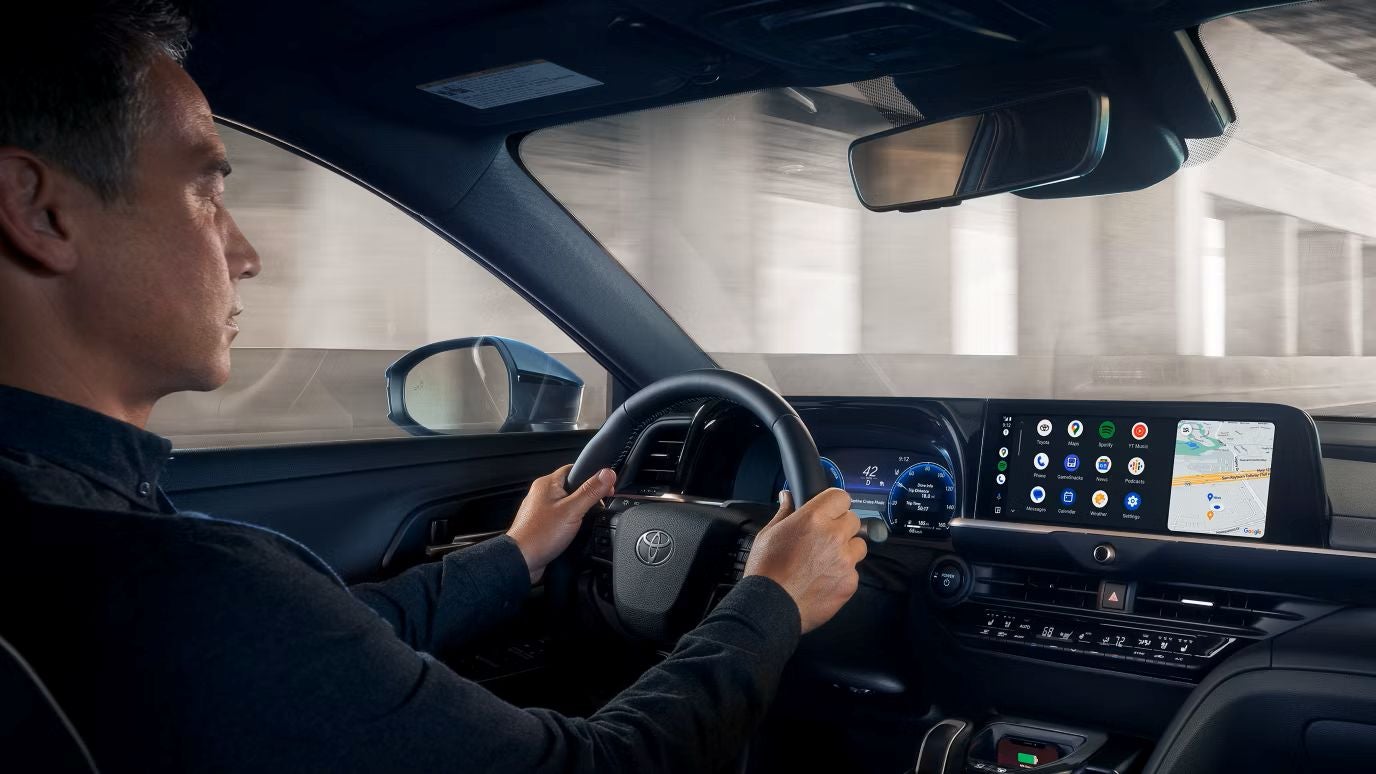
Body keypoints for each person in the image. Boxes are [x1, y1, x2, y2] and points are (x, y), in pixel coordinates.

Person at [0, 3, 867, 771]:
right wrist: (772, 599)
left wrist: (519, 555)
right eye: (203, 193)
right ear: (40, 210)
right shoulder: (176, 585)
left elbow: (318, 649)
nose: (245, 255)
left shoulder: (93, 544)